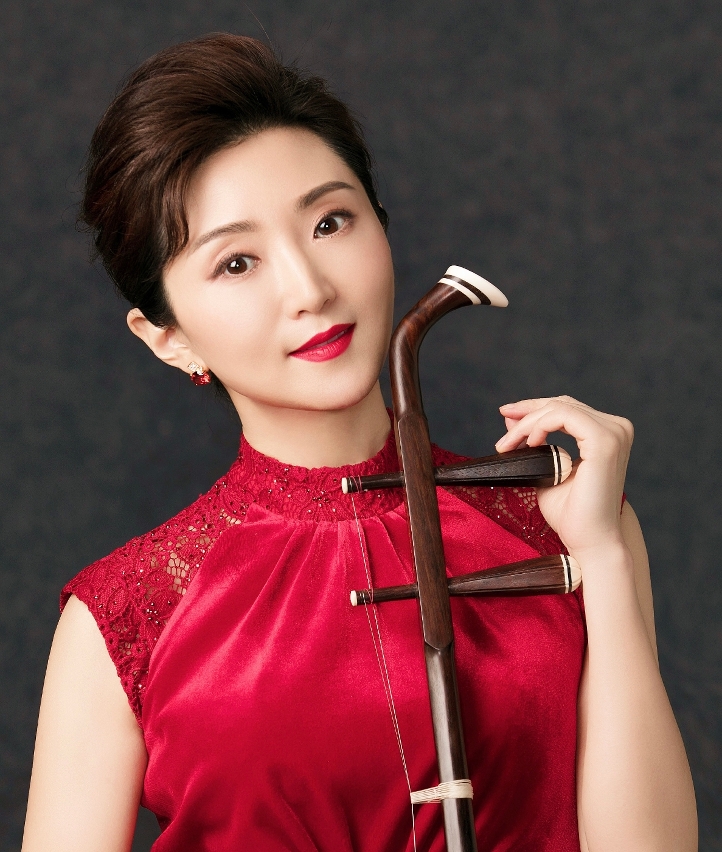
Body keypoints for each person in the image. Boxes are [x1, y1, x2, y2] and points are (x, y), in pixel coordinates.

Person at [22, 33, 697, 852]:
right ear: (168, 338)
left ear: (382, 226)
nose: (310, 289)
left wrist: (604, 555)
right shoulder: (125, 613)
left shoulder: (558, 520)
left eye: (330, 221)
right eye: (237, 263)